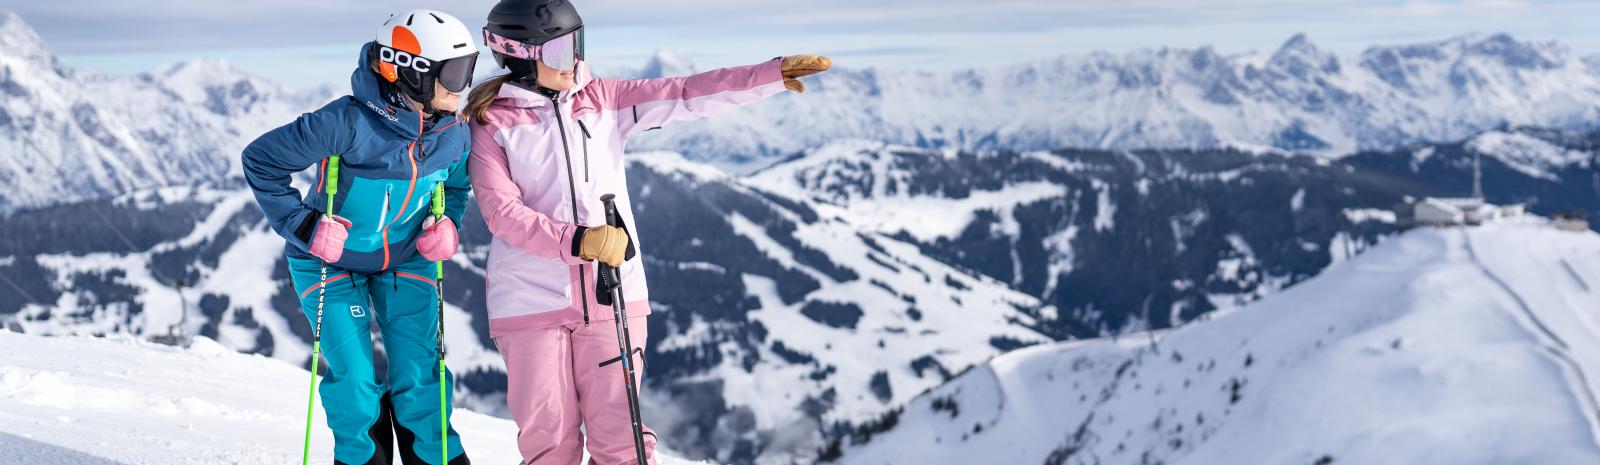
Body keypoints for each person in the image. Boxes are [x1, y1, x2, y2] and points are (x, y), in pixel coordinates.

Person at [462, 0, 832, 463]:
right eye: (558, 51)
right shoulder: (490, 122)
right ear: (518, 55)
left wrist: (769, 74)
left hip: (612, 294)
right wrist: (578, 240)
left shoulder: (604, 100)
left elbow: (685, 92)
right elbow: (502, 213)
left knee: (623, 443)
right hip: (531, 305)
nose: (573, 60)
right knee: (549, 444)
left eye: (576, 44)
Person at [240, 8, 478, 465]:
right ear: (411, 72)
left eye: (468, 68)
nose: (463, 84)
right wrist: (305, 226)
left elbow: (456, 185)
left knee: (421, 376)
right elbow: (260, 161)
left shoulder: (454, 131)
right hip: (328, 263)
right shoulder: (347, 122)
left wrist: (448, 222)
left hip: (408, 260)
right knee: (354, 380)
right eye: (453, 72)